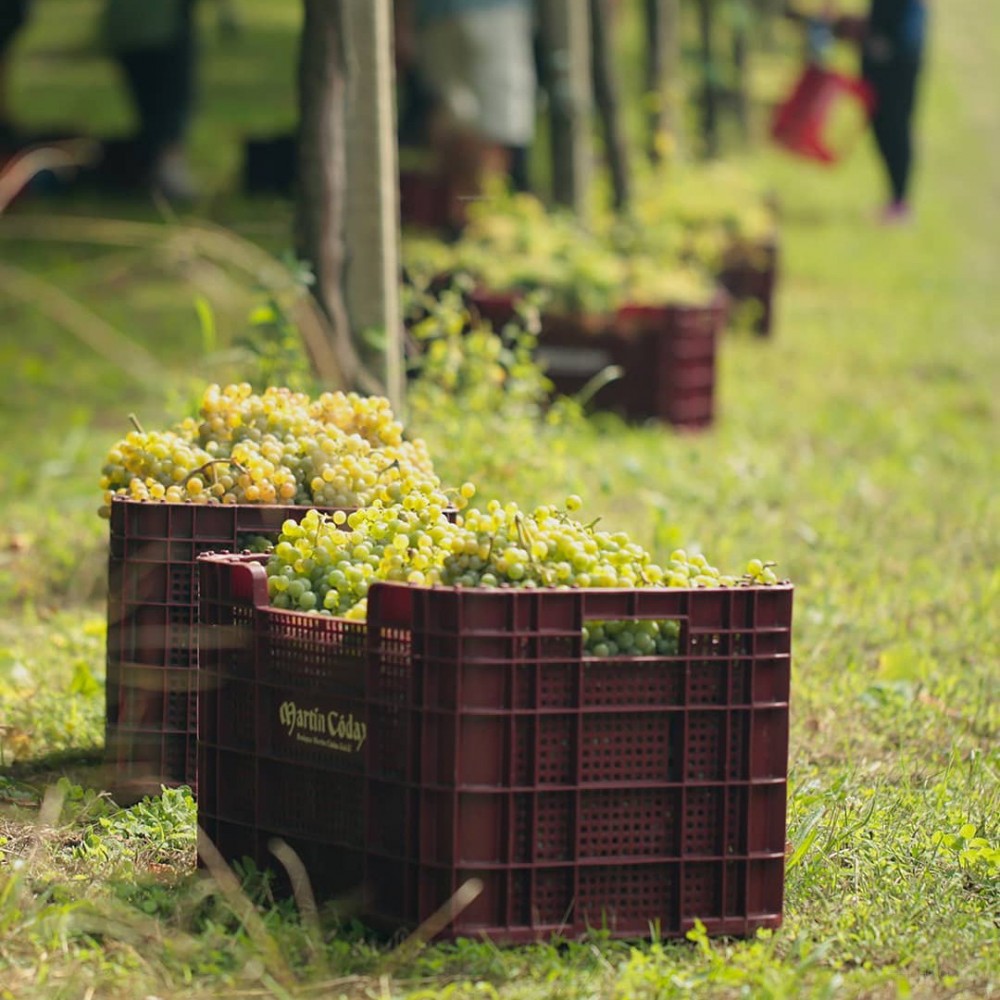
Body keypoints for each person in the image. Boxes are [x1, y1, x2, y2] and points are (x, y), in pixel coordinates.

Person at [401, 0, 537, 229]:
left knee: (454, 119)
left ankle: (463, 219)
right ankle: (484, 225)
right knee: (496, 128)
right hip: (496, 14)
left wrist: (402, 20)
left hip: (434, 17)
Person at [791, 0, 928, 223]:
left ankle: (901, 204)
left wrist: (890, 41)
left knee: (895, 124)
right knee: (882, 123)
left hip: (899, 46)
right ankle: (896, 200)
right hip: (884, 38)